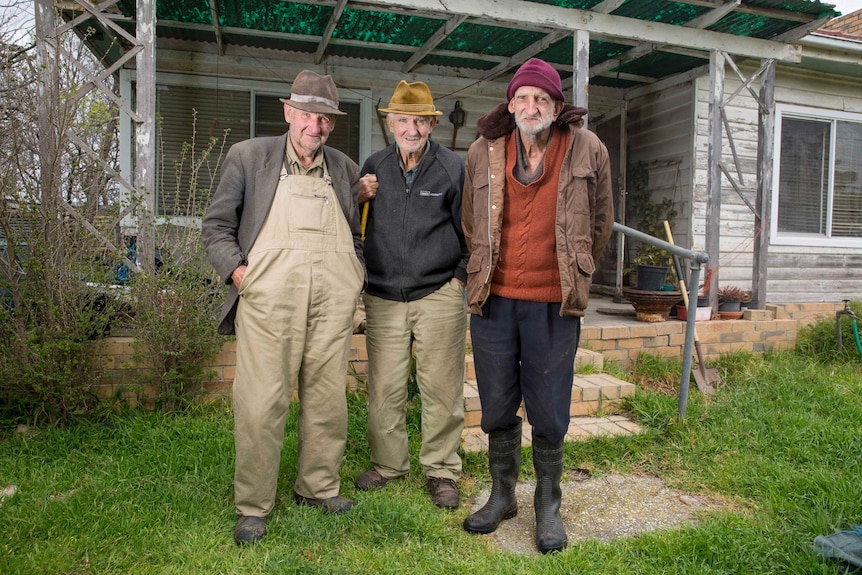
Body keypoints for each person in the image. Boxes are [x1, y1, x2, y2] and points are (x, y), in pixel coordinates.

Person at [202, 70, 365, 545]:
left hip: (331, 303)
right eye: (309, 115)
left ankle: (317, 487)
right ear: (289, 112)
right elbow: (215, 226)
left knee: (327, 401)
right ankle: (253, 506)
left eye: (326, 119)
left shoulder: (344, 168)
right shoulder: (249, 157)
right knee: (260, 403)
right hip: (269, 302)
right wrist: (238, 272)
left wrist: (354, 276)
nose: (317, 126)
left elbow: (354, 235)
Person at [460, 58, 614, 553]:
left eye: (542, 99)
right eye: (523, 98)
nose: (531, 107)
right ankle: (503, 494)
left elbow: (602, 222)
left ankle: (548, 504)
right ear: (510, 104)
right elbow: (470, 220)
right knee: (497, 402)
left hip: (554, 302)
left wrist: (576, 270)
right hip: (494, 299)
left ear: (557, 106)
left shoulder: (588, 147)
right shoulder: (483, 151)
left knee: (549, 409)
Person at [354, 80, 469, 509]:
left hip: (438, 292)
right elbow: (352, 224)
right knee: (384, 386)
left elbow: (470, 232)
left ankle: (441, 469)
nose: (412, 129)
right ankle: (389, 465)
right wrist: (356, 195)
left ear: (432, 123)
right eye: (403, 120)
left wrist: (459, 278)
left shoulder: (452, 168)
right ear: (390, 121)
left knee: (441, 386)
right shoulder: (374, 165)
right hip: (382, 295)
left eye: (421, 121)